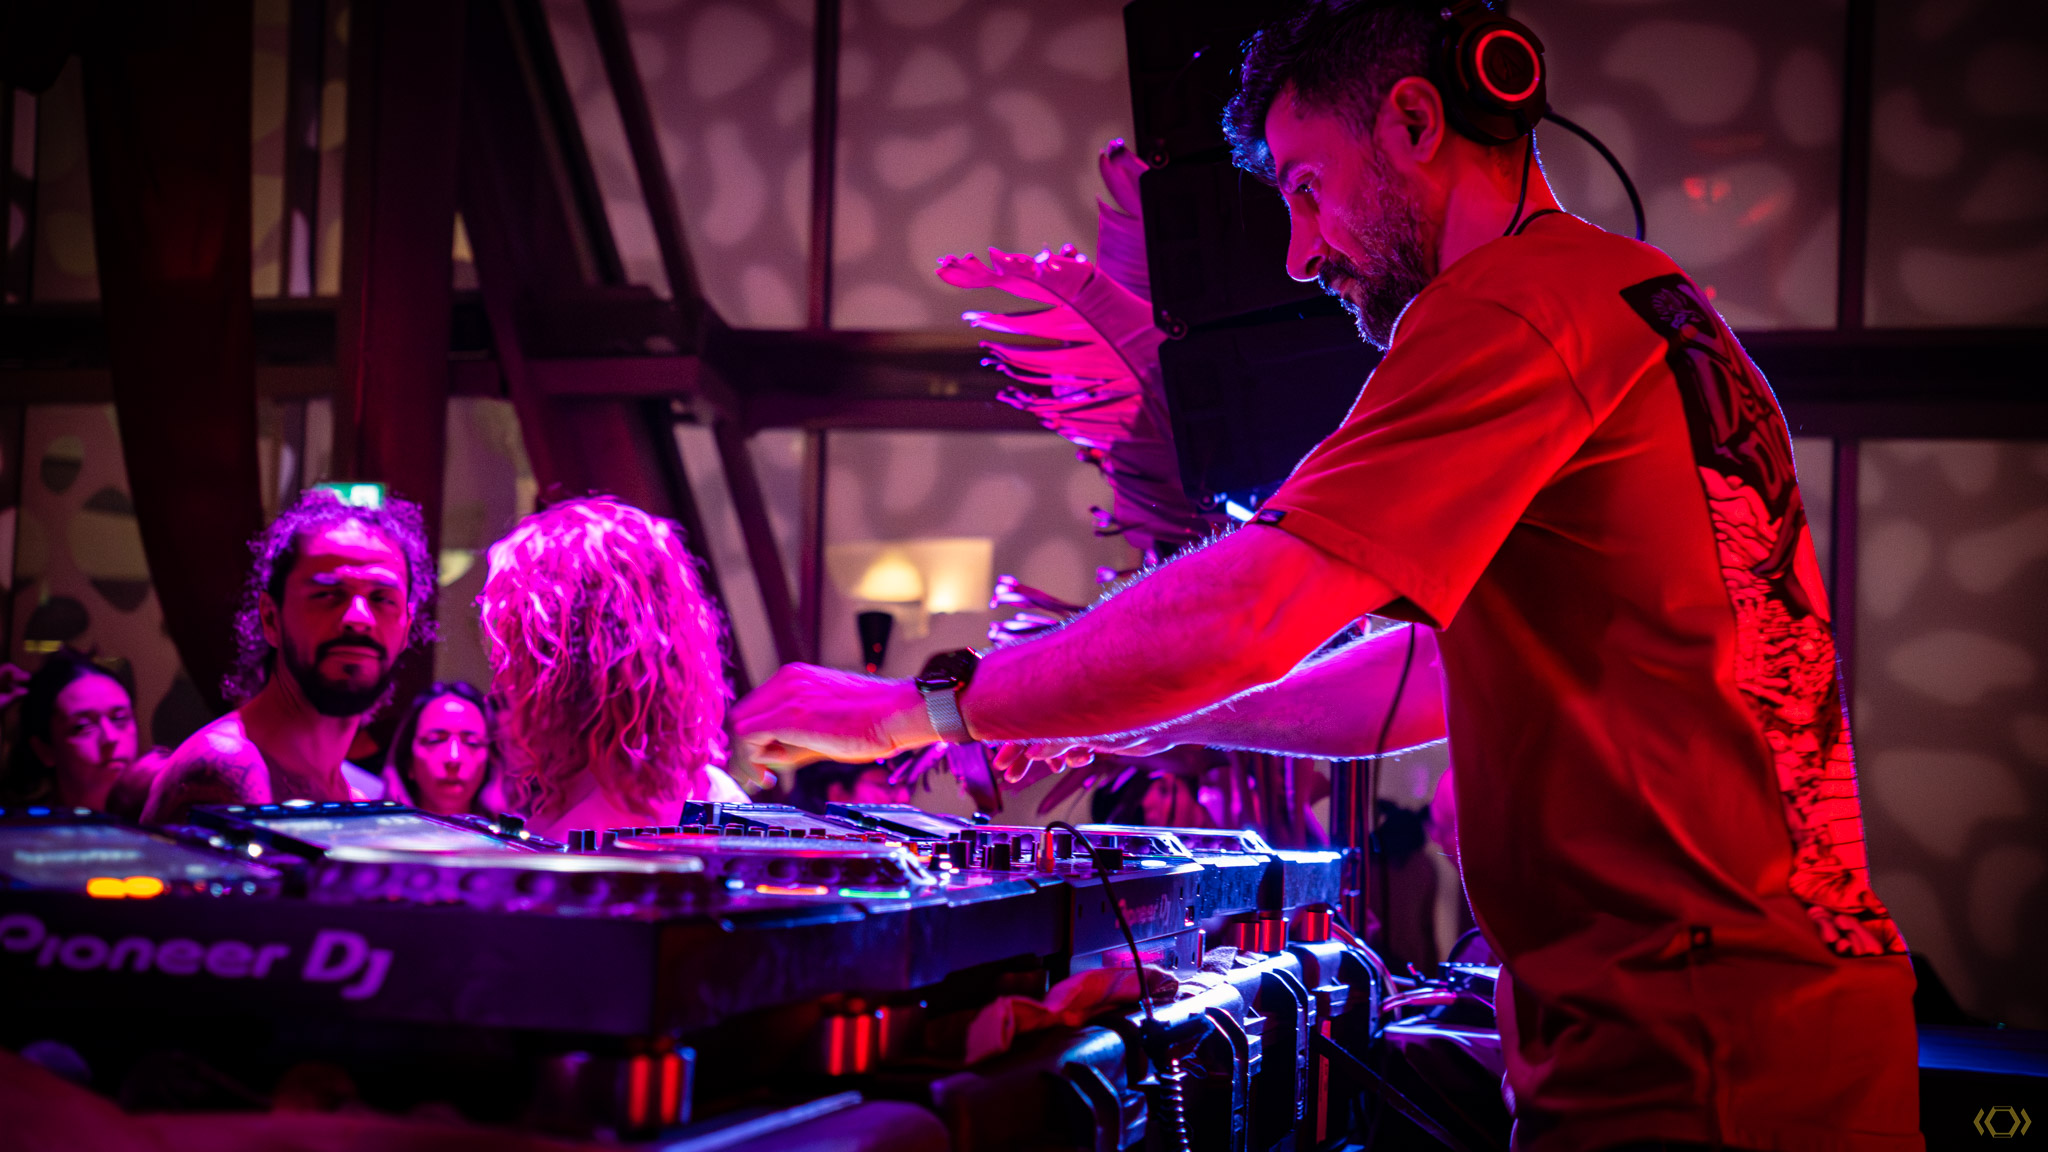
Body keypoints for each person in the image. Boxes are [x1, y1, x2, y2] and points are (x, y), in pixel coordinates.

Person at [734, 4, 1919, 1149]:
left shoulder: (1514, 304)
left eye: (1307, 189)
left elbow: (1250, 605)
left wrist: (914, 710)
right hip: (1768, 1031)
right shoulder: (1634, 298)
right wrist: (1161, 721)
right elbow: (1426, 675)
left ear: (1414, 121)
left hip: (1695, 1061)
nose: (1300, 254)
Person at [143, 489, 435, 825]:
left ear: (406, 629)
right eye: (328, 594)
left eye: (382, 598)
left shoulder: (353, 800)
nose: (359, 617)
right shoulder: (227, 767)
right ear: (271, 618)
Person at [479, 497, 746, 842]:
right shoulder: (717, 796)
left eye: (514, 644)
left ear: (552, 663)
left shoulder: (567, 840)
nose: (502, 674)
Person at [0, 651, 162, 817]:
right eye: (83, 726)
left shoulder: (163, 822)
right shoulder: (22, 827)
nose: (110, 737)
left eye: (119, 718)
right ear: (44, 749)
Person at [382, 681, 505, 818]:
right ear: (408, 760)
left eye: (472, 743)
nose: (454, 758)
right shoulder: (372, 829)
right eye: (434, 740)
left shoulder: (513, 831)